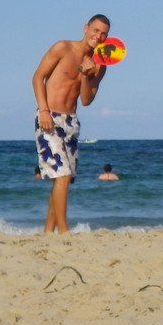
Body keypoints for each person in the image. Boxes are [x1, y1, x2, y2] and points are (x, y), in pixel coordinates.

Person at [32, 14, 111, 233]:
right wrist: (43, 111)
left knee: (61, 180)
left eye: (104, 34)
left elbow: (86, 100)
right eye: (96, 30)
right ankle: (65, 231)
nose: (99, 36)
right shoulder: (63, 48)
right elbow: (37, 77)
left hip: (71, 123)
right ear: (86, 28)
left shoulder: (100, 65)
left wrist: (85, 74)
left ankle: (48, 232)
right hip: (49, 117)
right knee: (63, 176)